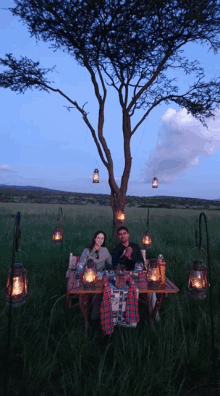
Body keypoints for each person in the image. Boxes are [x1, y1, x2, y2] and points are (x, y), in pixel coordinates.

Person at [77, 230, 112, 321]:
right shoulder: (87, 251)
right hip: (87, 276)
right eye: (98, 238)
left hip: (100, 277)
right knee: (83, 292)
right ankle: (83, 316)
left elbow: (111, 264)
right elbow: (81, 264)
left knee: (97, 293)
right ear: (94, 239)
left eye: (102, 238)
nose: (100, 240)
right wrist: (79, 273)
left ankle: (94, 317)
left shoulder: (105, 251)